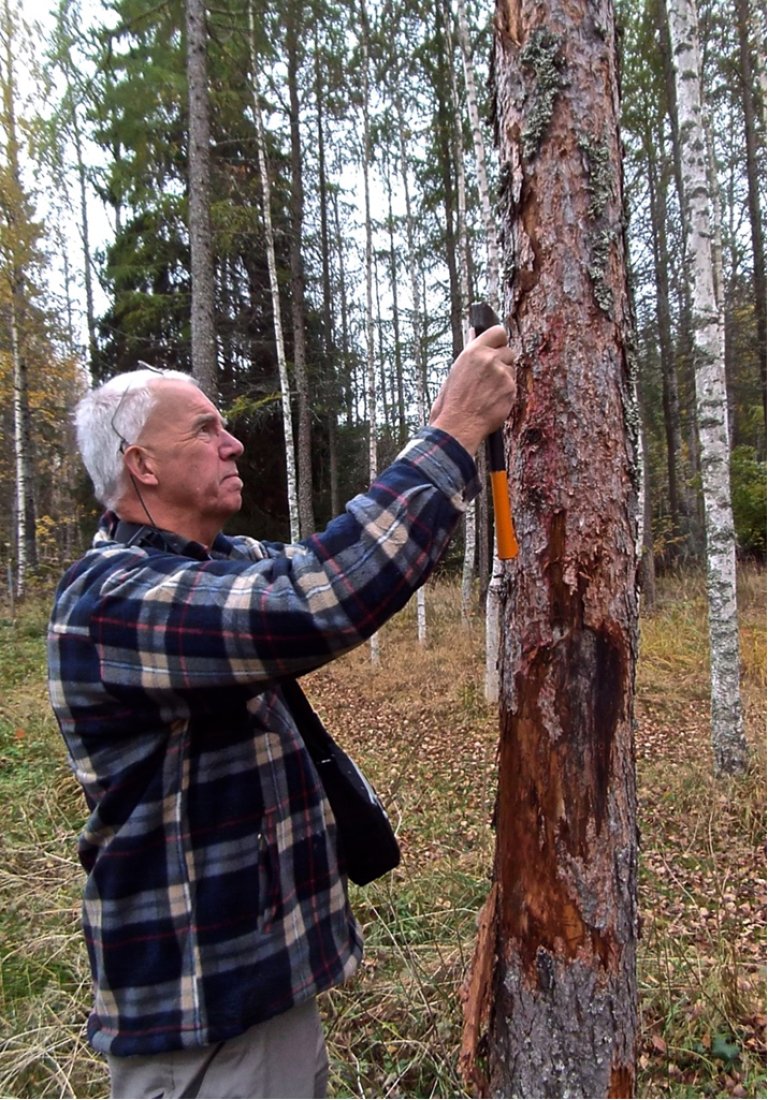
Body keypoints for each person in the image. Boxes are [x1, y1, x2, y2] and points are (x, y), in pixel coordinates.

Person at [47, 324, 516, 1100]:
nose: (233, 445)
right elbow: (316, 600)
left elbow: (353, 561)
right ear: (143, 466)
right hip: (201, 1019)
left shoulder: (218, 565)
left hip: (260, 994)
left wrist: (462, 458)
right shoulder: (109, 601)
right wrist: (454, 428)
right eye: (205, 429)